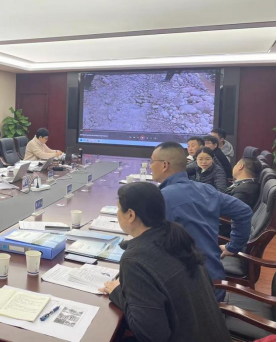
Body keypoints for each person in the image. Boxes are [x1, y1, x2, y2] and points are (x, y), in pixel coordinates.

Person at [100, 183, 231, 342]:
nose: (117, 213)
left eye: (118, 209)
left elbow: (151, 335)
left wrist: (117, 292)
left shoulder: (134, 260)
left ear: (131, 215)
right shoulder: (177, 236)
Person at [150, 142, 252, 301]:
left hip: (190, 293)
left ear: (164, 165)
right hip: (214, 281)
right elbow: (244, 211)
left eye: (151, 162)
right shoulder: (206, 190)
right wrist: (234, 246)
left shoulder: (162, 199)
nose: (150, 166)